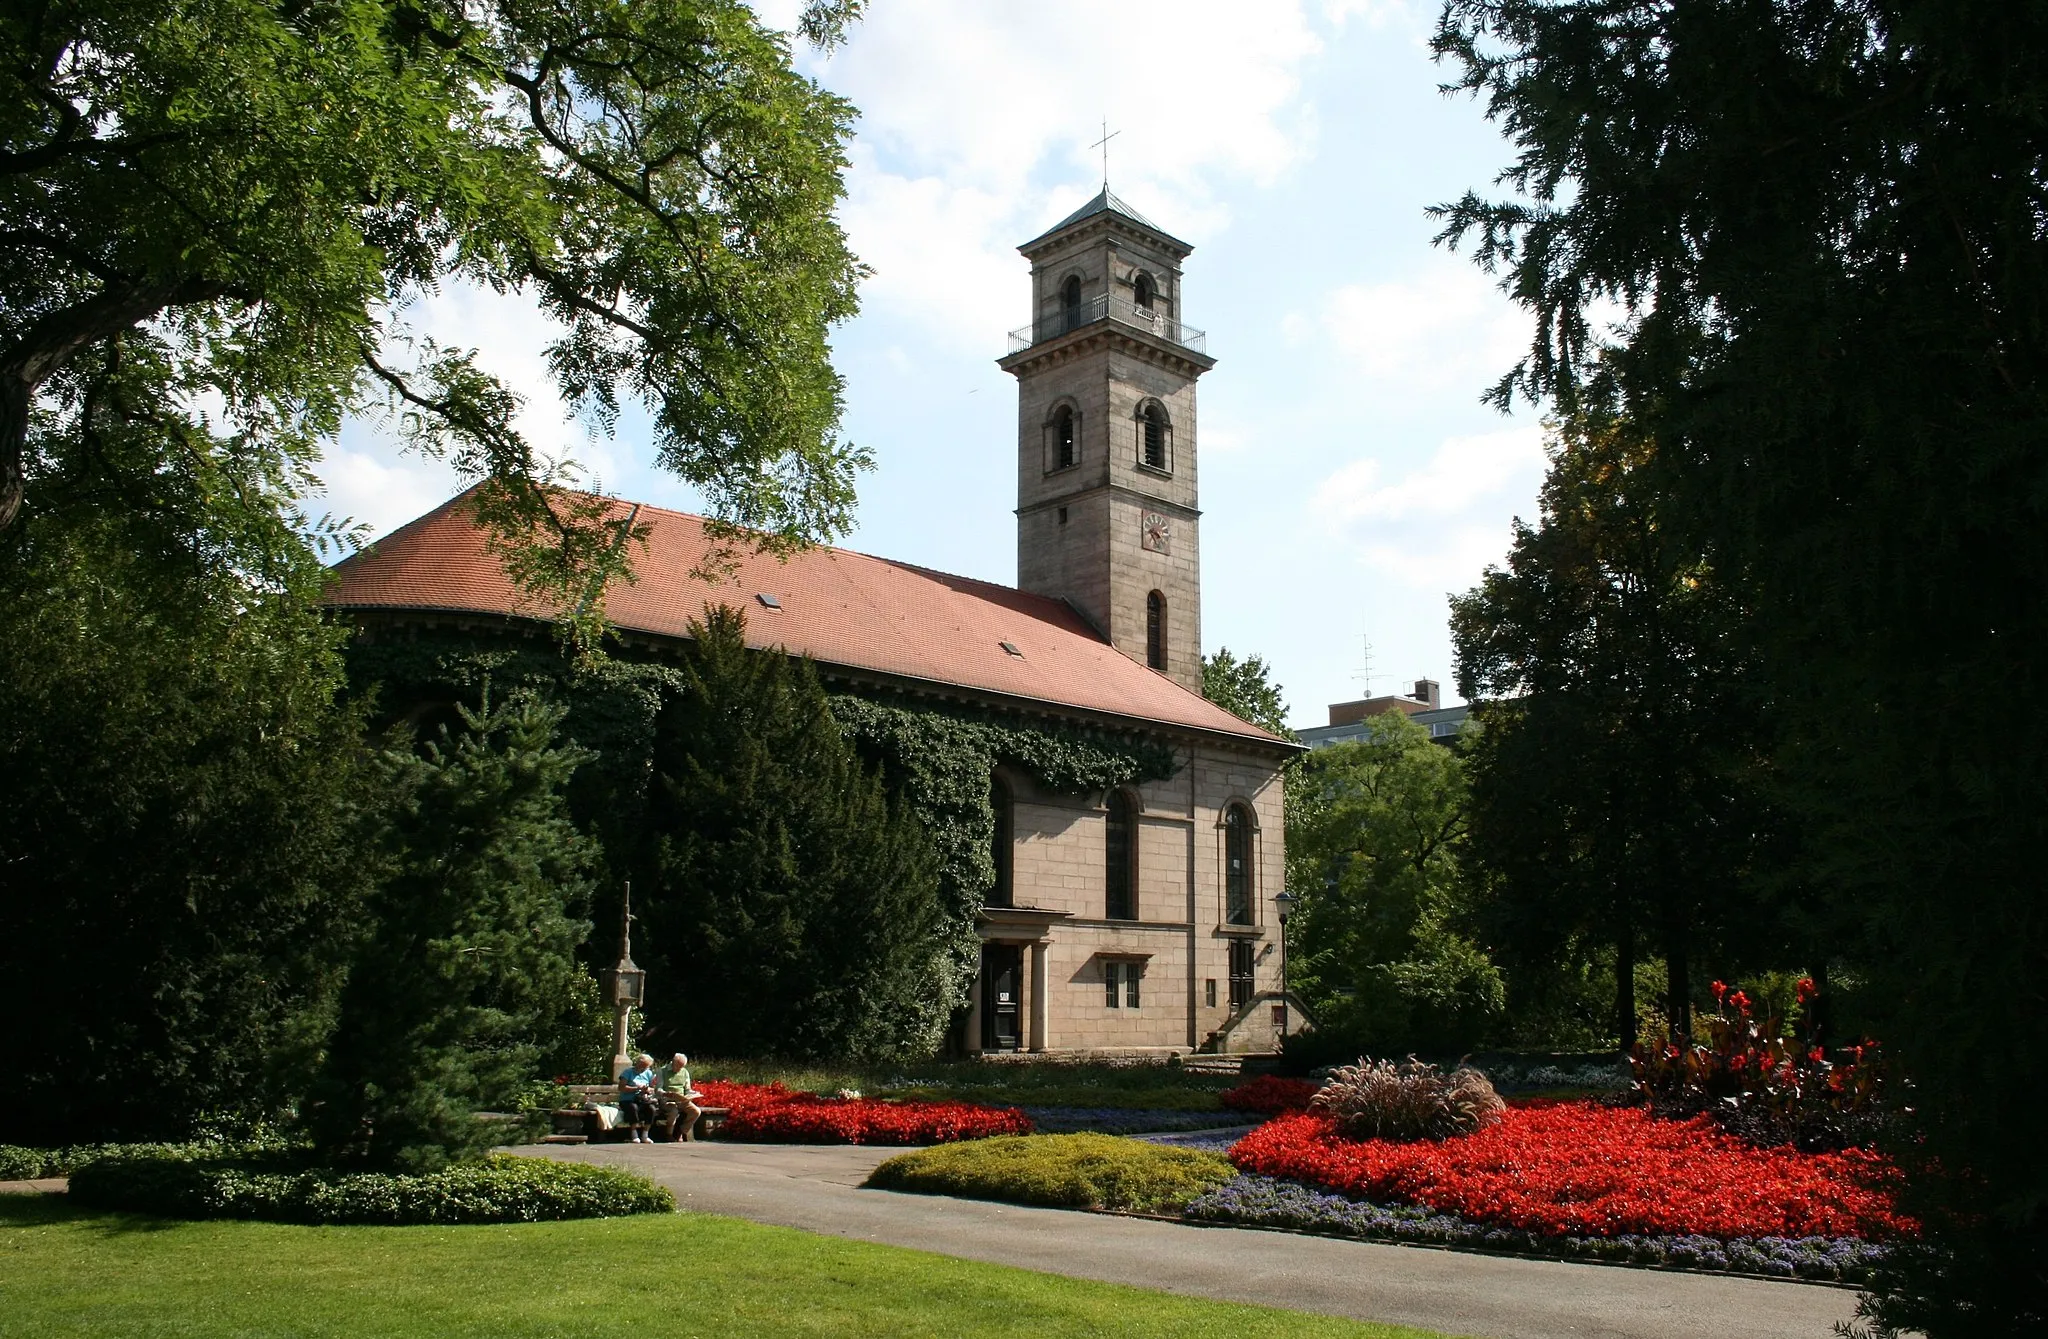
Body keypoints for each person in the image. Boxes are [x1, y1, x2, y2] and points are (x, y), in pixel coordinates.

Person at [656, 1052, 703, 1143]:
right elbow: (658, 1088)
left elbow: (687, 1089)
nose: (680, 1069)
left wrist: (693, 1094)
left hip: (682, 1100)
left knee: (696, 1111)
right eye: (678, 1066)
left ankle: (681, 1132)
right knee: (673, 1111)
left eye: (682, 1067)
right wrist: (665, 1093)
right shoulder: (662, 1071)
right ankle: (669, 1135)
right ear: (673, 1062)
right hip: (667, 1100)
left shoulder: (684, 1072)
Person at [616, 1053, 659, 1143]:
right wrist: (637, 1088)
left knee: (651, 1109)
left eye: (646, 1067)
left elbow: (652, 1087)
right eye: (642, 1066)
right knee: (633, 1108)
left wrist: (648, 1090)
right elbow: (621, 1087)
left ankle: (645, 1134)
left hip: (642, 1099)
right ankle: (634, 1134)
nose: (643, 1068)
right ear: (638, 1063)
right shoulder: (627, 1072)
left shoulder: (648, 1073)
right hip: (628, 1099)